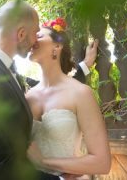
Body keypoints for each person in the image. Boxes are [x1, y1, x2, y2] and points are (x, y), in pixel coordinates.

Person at [0, 0, 59, 180]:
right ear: (21, 33)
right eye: (35, 32)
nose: (36, 40)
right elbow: (2, 167)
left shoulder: (4, 70)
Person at [26, 18, 111, 179]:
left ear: (57, 46)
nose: (32, 39)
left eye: (39, 35)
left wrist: (43, 161)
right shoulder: (27, 97)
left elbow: (102, 162)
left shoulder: (81, 93)